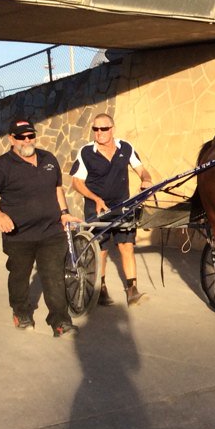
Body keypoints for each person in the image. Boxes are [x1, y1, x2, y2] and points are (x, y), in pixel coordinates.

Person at [0, 118, 82, 337]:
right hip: (18, 235)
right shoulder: (1, 166)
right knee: (19, 276)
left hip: (51, 232)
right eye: (21, 137)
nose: (27, 140)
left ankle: (60, 321)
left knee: (54, 276)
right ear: (11, 139)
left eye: (30, 135)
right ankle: (21, 311)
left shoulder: (48, 159)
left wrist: (64, 213)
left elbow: (57, 188)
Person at [70, 113, 153, 306]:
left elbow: (141, 169)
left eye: (103, 129)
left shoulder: (126, 147)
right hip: (97, 207)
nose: (99, 133)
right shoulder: (86, 152)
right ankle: (101, 289)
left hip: (122, 206)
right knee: (101, 249)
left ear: (112, 129)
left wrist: (146, 179)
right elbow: (76, 182)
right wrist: (95, 198)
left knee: (127, 246)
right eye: (95, 129)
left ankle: (132, 290)